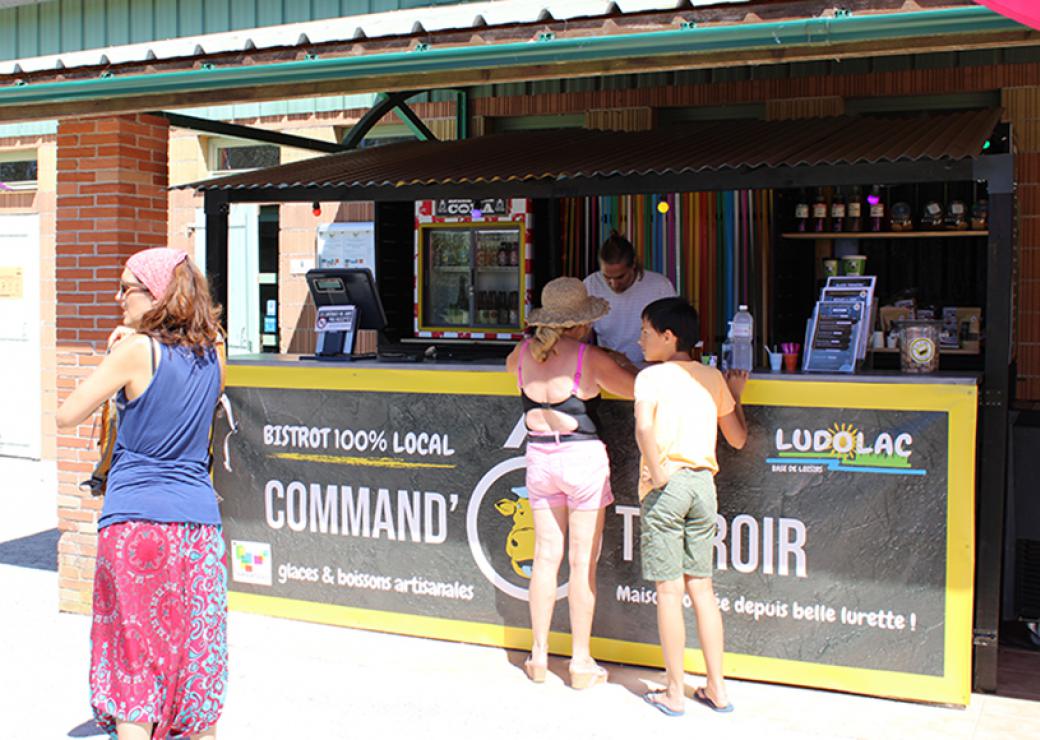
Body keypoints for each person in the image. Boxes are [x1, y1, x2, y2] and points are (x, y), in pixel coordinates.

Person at [56, 248, 227, 740]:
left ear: (155, 295)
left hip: (136, 523)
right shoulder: (215, 349)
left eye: (126, 287)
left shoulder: (134, 352)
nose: (117, 296)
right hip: (197, 524)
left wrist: (120, 351)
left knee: (136, 661)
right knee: (195, 663)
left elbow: (68, 413)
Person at [505, 277, 636, 689]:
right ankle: (580, 662)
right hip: (581, 459)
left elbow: (518, 371)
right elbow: (636, 390)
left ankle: (539, 656)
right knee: (582, 565)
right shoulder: (589, 358)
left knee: (545, 560)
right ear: (580, 323)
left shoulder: (520, 355)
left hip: (539, 458)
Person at [633, 297, 748, 717]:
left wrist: (658, 471)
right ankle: (717, 687)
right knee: (702, 588)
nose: (639, 340)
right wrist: (735, 396)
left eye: (645, 332)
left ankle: (675, 692)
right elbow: (737, 439)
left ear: (668, 337)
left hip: (669, 486)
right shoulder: (713, 378)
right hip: (704, 487)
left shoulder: (651, 377)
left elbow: (644, 426)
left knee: (669, 591)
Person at [584, 231, 676, 366]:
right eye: (607, 277)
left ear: (633, 265)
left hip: (653, 369)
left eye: (620, 277)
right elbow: (579, 338)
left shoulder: (660, 286)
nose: (613, 284)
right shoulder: (590, 285)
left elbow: (674, 335)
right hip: (609, 369)